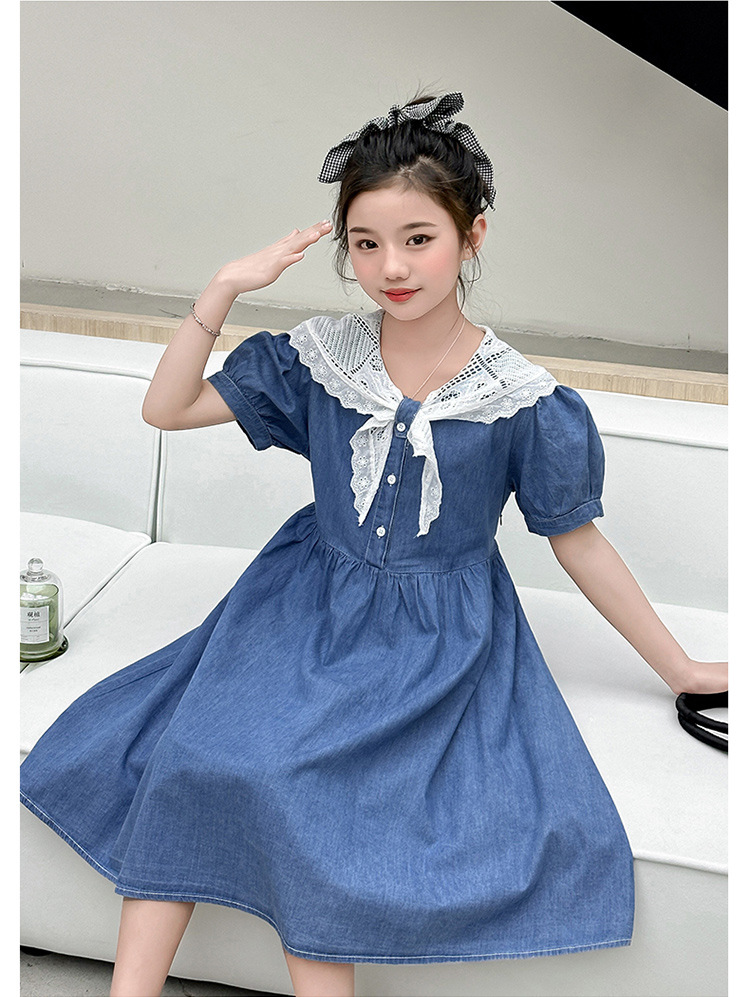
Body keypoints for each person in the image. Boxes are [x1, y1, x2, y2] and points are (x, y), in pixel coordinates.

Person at [20, 92, 727, 997]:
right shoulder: (322, 359)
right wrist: (223, 290)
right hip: (298, 603)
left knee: (311, 795)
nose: (391, 267)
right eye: (365, 243)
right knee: (191, 755)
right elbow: (167, 408)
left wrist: (680, 667)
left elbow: (578, 542)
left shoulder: (520, 397)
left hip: (437, 637)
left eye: (418, 238)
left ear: (472, 237)